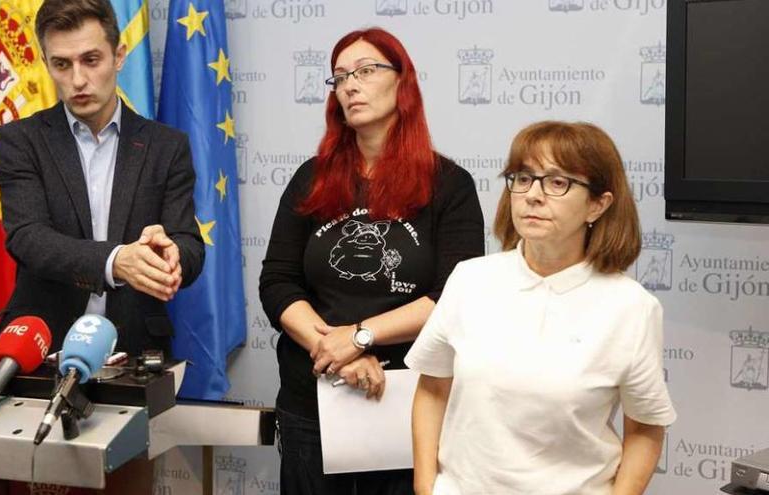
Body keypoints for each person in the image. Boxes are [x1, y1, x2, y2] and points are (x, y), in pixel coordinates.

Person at [259, 27, 484, 495]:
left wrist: (361, 337)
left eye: (365, 71)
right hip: (313, 404)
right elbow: (278, 283)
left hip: (411, 405)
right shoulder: (311, 179)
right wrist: (338, 353)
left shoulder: (450, 185)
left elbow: (454, 298)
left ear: (403, 83)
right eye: (340, 77)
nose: (350, 85)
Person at [406, 121, 677, 495]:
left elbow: (645, 427)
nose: (533, 195)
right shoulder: (470, 279)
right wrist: (426, 486)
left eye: (557, 182)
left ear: (598, 204)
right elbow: (432, 388)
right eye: (523, 178)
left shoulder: (631, 307)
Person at [0, 0, 204, 356]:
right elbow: (27, 238)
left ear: (119, 56)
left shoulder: (167, 145)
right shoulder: (18, 140)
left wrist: (168, 256)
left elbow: (189, 245)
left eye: (91, 60)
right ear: (47, 64)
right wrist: (115, 261)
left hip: (136, 350)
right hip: (42, 346)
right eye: (62, 64)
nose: (78, 80)